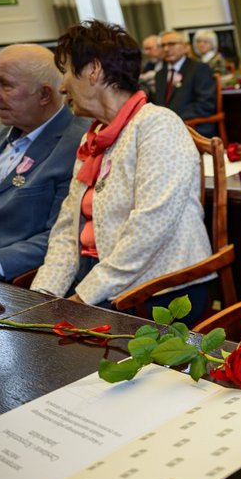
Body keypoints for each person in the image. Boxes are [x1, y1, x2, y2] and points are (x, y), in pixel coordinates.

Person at [31, 21, 214, 322]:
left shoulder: (158, 125)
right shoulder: (93, 136)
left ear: (93, 70)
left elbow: (149, 230)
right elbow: (67, 228)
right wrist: (42, 298)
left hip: (155, 290)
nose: (62, 86)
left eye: (65, 71)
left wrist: (82, 298)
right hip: (101, 281)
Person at [0, 45, 88, 281]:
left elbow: (63, 236)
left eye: (5, 84)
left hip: (5, 281)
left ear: (44, 95)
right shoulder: (3, 133)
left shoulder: (78, 145)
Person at [153, 30, 218, 138]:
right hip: (165, 128)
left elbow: (206, 105)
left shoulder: (199, 69)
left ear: (186, 47)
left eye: (171, 44)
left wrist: (173, 119)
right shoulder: (160, 74)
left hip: (193, 127)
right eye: (163, 45)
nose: (166, 49)